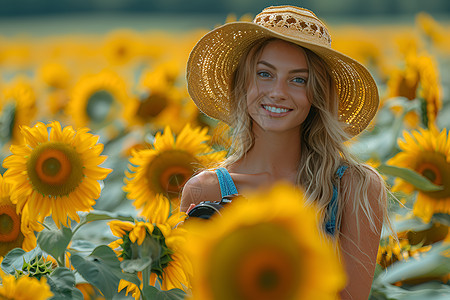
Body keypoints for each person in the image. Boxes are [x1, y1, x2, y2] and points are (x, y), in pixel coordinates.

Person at [181, 5, 388, 300]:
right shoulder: (205, 191)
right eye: (265, 74)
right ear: (244, 83)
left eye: (298, 79)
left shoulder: (354, 188)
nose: (278, 91)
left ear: (317, 94)